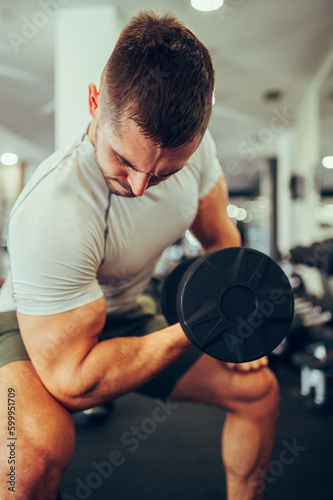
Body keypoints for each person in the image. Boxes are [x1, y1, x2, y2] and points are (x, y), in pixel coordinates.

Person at [0, 10, 279, 500]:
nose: (140, 185)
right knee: (32, 453)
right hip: (33, 324)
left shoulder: (196, 152)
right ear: (94, 103)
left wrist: (236, 332)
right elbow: (73, 380)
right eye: (124, 160)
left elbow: (220, 243)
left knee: (257, 392)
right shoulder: (54, 210)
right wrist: (198, 327)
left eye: (166, 172)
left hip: (126, 312)